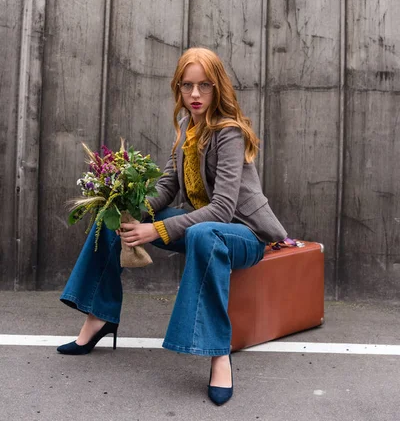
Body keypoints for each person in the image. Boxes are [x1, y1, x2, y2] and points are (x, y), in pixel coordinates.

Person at [57, 47, 287, 406]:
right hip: (201, 229)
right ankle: (98, 316)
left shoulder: (229, 133)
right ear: (178, 88)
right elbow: (167, 186)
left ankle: (218, 354)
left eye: (204, 86)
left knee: (203, 232)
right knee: (112, 215)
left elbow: (224, 209)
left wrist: (156, 232)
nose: (195, 95)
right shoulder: (185, 126)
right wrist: (130, 208)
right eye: (187, 86)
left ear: (218, 88)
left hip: (242, 234)